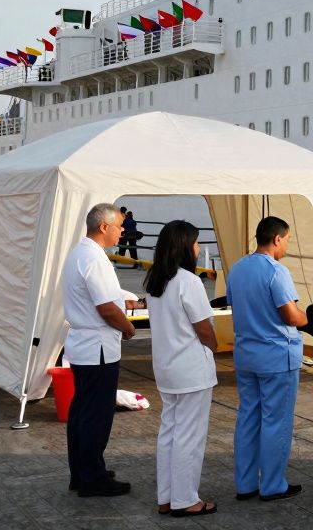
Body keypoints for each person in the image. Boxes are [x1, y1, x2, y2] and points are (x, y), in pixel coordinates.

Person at [227, 216, 307, 502]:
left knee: (248, 418)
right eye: (286, 240)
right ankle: (273, 484)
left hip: (246, 355)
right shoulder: (277, 271)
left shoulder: (237, 269)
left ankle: (245, 484)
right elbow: (291, 315)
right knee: (276, 421)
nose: (286, 246)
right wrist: (306, 316)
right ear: (276, 239)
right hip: (276, 357)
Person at [62, 203, 136, 497]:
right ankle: (93, 478)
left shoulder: (80, 253)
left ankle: (82, 472)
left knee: (82, 411)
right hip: (98, 347)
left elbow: (106, 300)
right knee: (97, 414)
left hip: (84, 343)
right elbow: (106, 308)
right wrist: (128, 328)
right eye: (119, 225)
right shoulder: (94, 258)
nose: (122, 230)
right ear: (103, 226)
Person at [146, 220, 218, 517]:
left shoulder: (155, 280)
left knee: (170, 433)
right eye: (196, 242)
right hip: (190, 369)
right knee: (190, 436)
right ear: (184, 246)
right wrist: (214, 345)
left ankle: (167, 496)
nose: (199, 247)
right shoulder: (188, 281)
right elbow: (204, 327)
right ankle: (185, 499)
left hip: (166, 367)